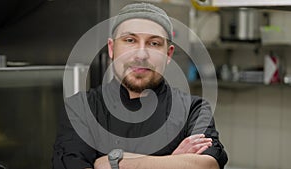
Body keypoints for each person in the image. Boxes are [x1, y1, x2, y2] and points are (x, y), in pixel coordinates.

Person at [53, 2, 228, 169]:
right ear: (112, 49)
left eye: (154, 43)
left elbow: (208, 165)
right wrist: (173, 162)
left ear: (168, 54)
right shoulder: (81, 107)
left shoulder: (193, 110)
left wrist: (112, 163)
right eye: (130, 40)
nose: (141, 54)